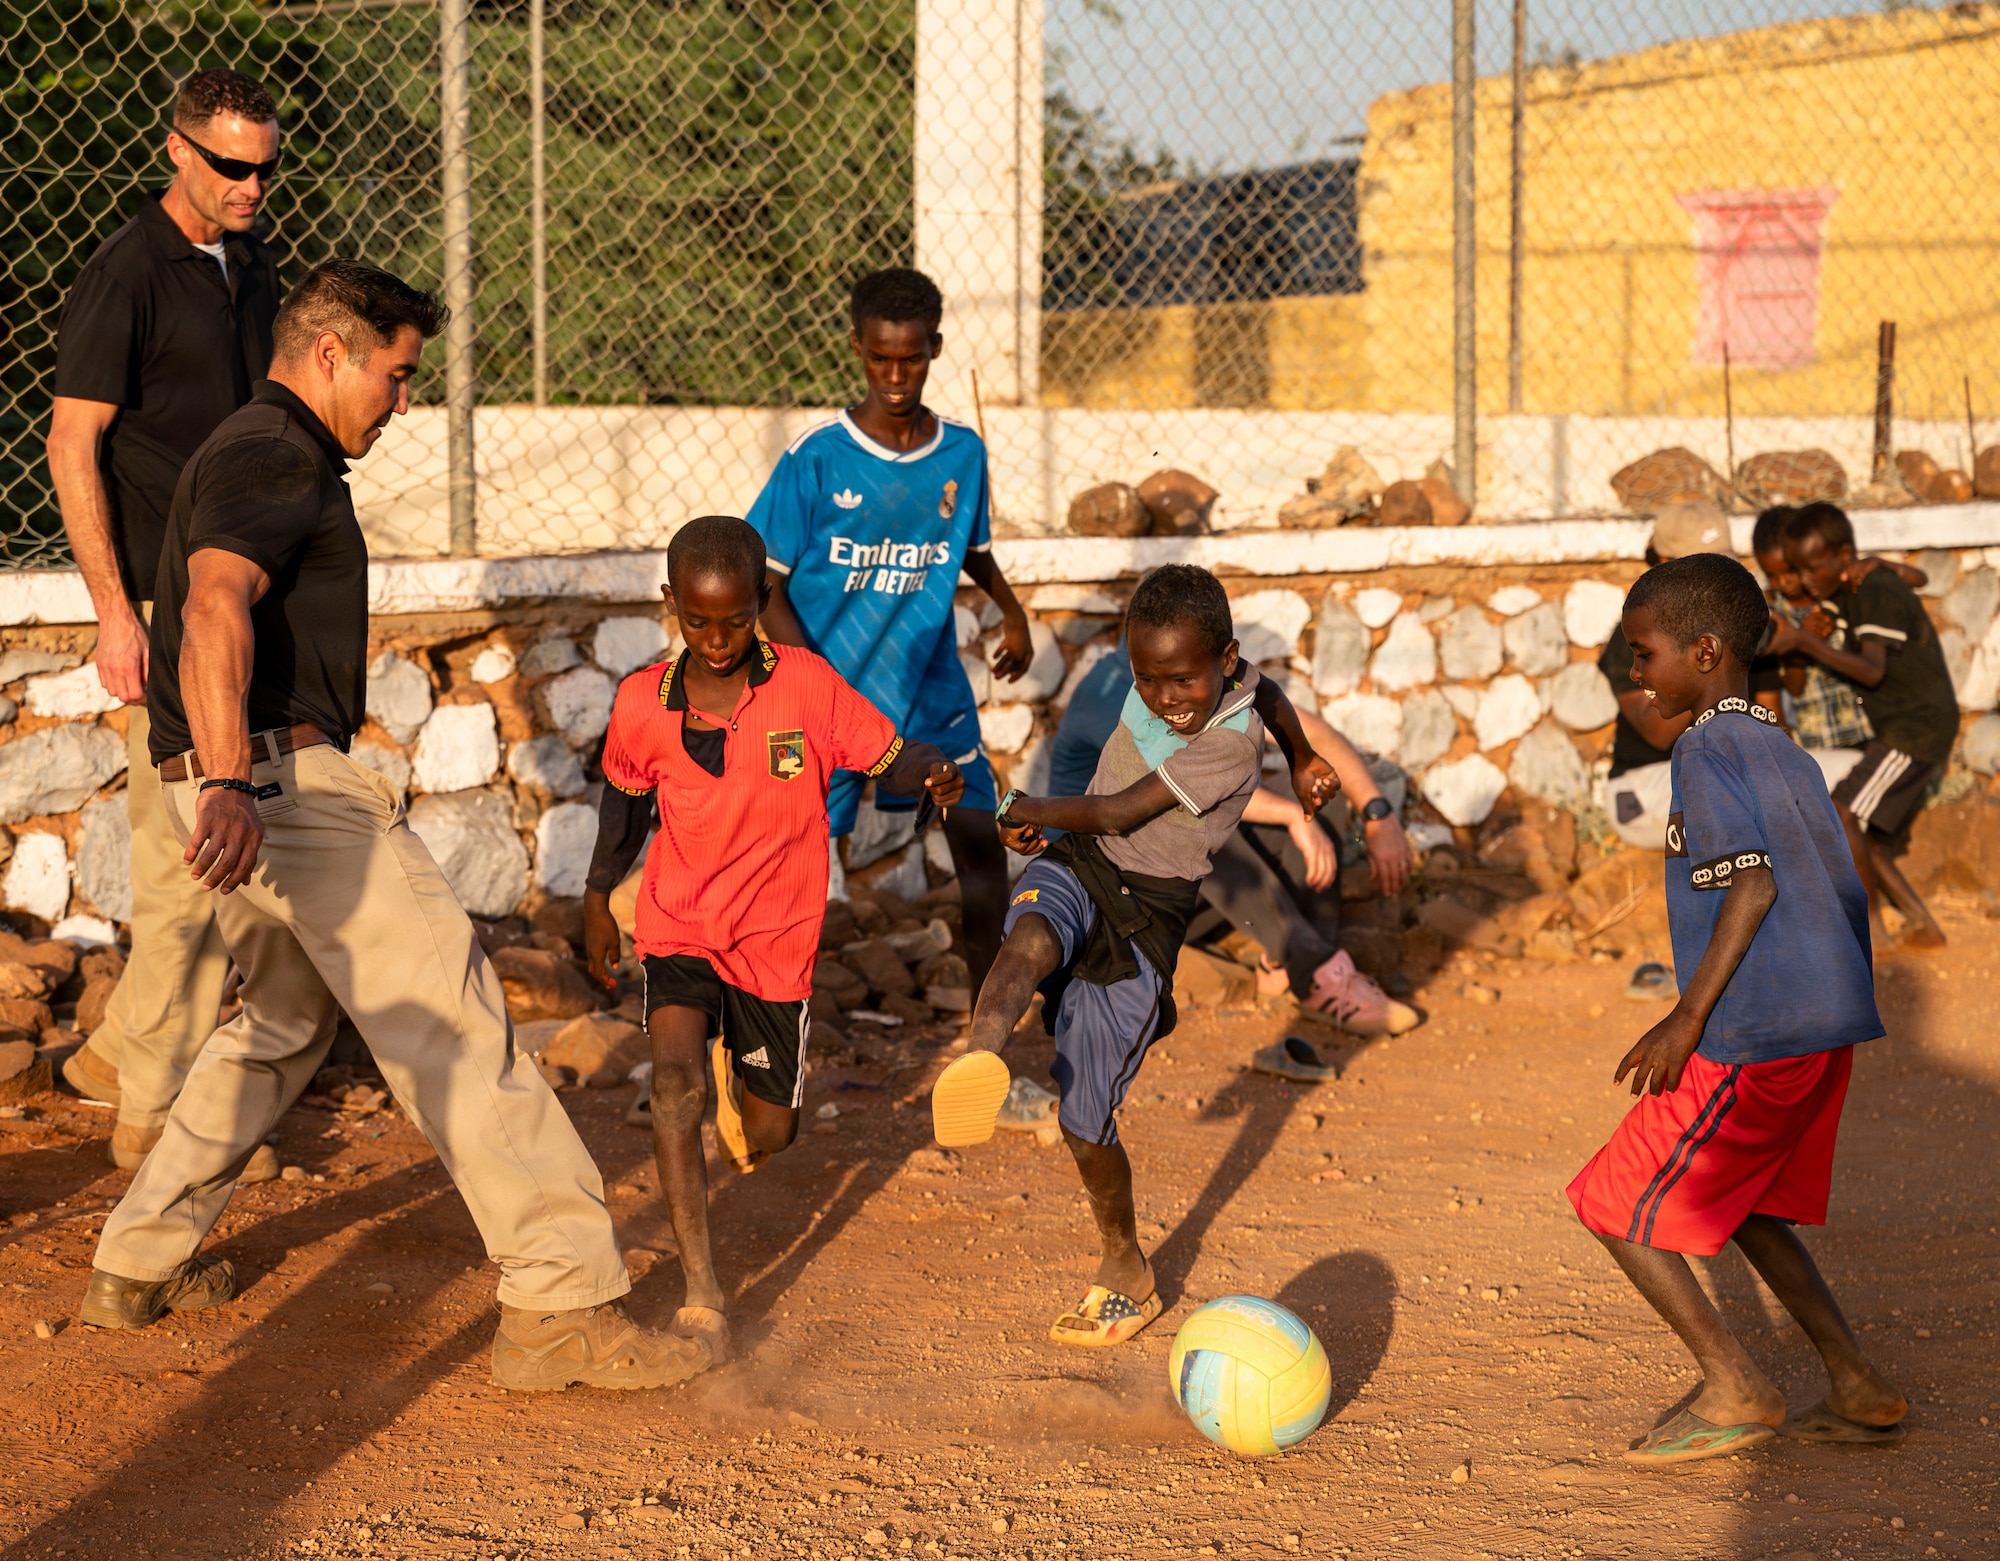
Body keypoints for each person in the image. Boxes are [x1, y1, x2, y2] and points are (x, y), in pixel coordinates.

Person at [80, 259, 707, 1394]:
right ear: (332, 353)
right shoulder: (275, 453)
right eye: (396, 373)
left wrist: (217, 783)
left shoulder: (250, 445)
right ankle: (562, 1299)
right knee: (454, 1026)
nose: (403, 402)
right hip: (278, 794)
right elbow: (214, 606)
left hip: (234, 788)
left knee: (278, 1023)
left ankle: (134, 1262)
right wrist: (232, 780)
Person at [580, 516, 964, 1362]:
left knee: (771, 1136)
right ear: (670, 604)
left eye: (736, 619)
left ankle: (739, 1070)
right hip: (680, 921)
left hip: (776, 942)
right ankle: (703, 1292)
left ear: (761, 601)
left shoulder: (807, 685)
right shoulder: (643, 699)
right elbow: (623, 799)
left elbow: (886, 754)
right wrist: (598, 893)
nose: (717, 641)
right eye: (697, 621)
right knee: (673, 1086)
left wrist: (931, 765)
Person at [931, 565, 1336, 1346]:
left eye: (1181, 679)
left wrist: (1026, 810)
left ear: (1222, 659)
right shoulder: (1198, 672)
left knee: (1086, 1121)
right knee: (1033, 932)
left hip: (1148, 916)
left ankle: (1127, 1265)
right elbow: (1273, 690)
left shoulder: (1228, 741)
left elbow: (1121, 808)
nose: (1163, 698)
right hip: (1084, 861)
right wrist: (1307, 749)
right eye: (1146, 680)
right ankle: (981, 1052)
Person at [1567, 553, 1904, 1467]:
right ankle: (1856, 1382)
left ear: (1705, 649)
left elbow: (1749, 887)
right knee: (1748, 1204)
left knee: (1609, 1201)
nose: (1635, 673)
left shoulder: (1707, 747)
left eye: (1644, 654)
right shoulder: (1777, 743)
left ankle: (1737, 1383)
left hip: (1753, 1035)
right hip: (1817, 1030)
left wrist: (1687, 1019)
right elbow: (1829, 882)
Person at [47, 68, 284, 1173]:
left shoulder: (252, 263)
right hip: (159, 600)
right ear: (178, 150)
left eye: (265, 166)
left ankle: (114, 1062)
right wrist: (113, 610)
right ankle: (152, 1127)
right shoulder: (125, 274)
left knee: (234, 854)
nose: (251, 185)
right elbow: (71, 442)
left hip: (237, 594)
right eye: (231, 165)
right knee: (185, 860)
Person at [748, 266, 1030, 1003]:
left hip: (927, 682)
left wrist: (1012, 608)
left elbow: (967, 547)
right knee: (798, 860)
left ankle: (988, 1029)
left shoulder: (961, 453)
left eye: (911, 358)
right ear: (858, 349)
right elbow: (759, 583)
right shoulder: (817, 457)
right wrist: (812, 683)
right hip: (825, 692)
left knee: (977, 840)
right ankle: (769, 1031)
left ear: (934, 347)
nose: (896, 374)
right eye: (880, 357)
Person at [1049, 643, 1417, 1035]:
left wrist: (1377, 812)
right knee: (1190, 818)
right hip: (1110, 893)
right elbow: (1189, 789)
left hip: (1182, 888)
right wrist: (1293, 817)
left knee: (1318, 787)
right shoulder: (1109, 691)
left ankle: (1297, 962)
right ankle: (1313, 968)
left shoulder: (1202, 666)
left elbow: (1307, 734)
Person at [1771, 503, 1955, 950]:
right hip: (1901, 729)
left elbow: (1872, 670)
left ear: (1844, 555)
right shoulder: (1844, 590)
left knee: (1843, 813)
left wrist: (1801, 640)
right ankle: (1921, 924)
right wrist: (1808, 635)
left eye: (1812, 568)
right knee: (1857, 829)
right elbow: (1912, 579)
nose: (1807, 581)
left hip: (1916, 729)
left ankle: (1873, 932)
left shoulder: (1873, 588)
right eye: (1799, 570)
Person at [1599, 504, 1781, 849]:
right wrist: (1706, 669)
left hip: (1722, 768)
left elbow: (1774, 729)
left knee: (1819, 777)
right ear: (1666, 564)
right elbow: (1656, 732)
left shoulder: (1743, 627)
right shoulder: (1638, 635)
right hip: (1646, 785)